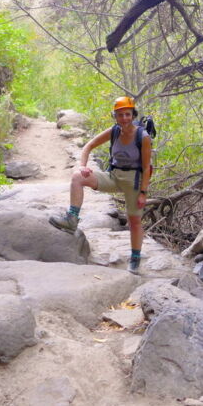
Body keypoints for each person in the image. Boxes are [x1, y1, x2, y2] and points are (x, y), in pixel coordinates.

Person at [49, 96, 152, 274]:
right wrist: (82, 166)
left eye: (127, 114)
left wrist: (143, 192)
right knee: (77, 177)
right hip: (113, 176)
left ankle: (135, 258)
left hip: (133, 180)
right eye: (120, 115)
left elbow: (146, 167)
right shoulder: (113, 131)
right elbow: (88, 146)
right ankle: (72, 219)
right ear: (115, 117)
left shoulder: (142, 137)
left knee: (134, 221)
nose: (124, 118)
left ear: (133, 114)